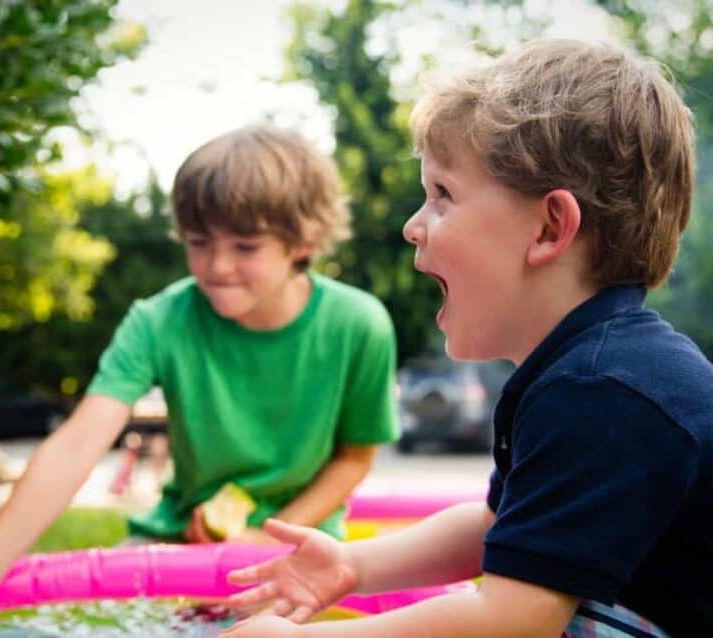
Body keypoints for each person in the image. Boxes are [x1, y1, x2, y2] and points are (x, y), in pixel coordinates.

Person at [218, 39, 713, 638]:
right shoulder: (588, 370)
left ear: (550, 227)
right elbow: (496, 525)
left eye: (442, 195)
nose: (412, 226)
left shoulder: (603, 391)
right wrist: (353, 564)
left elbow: (510, 622)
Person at [0, 125, 399, 625]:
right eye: (199, 242)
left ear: (304, 240)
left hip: (299, 545)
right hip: (177, 540)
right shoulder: (159, 320)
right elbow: (72, 450)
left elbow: (354, 458)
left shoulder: (360, 325)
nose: (217, 266)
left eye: (245, 246)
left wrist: (267, 536)